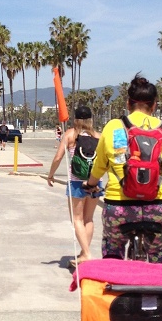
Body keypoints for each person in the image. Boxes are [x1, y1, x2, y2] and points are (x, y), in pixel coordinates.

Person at [82, 75, 162, 264]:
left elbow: (100, 164)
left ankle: (113, 274)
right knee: (158, 247)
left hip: (120, 208)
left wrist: (91, 184)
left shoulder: (113, 127)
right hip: (160, 208)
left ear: (128, 103)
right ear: (154, 105)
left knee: (113, 243)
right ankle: (161, 280)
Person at [47, 106, 103, 266]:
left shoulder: (70, 134)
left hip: (77, 182)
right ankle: (83, 252)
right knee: (89, 219)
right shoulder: (98, 136)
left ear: (75, 119)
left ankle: (86, 254)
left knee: (77, 219)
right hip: (94, 182)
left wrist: (51, 174)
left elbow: (58, 157)